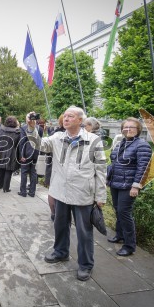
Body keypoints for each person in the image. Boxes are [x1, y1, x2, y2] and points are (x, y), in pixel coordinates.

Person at [26, 107, 107, 281]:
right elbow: (38, 144)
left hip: (82, 194)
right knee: (60, 225)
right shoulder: (57, 137)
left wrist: (101, 196)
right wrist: (32, 128)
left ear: (80, 120)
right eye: (65, 116)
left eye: (71, 116)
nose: (66, 118)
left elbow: (101, 170)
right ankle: (61, 252)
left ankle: (86, 265)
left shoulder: (93, 140)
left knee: (84, 232)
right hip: (60, 192)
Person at [107, 118, 152, 257]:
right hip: (116, 182)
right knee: (118, 210)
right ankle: (119, 235)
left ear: (138, 129)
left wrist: (136, 186)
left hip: (129, 185)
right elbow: (114, 162)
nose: (128, 129)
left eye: (131, 127)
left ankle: (129, 245)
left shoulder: (142, 145)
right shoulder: (122, 143)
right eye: (125, 127)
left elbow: (143, 168)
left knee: (124, 213)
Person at [0, 116, 21, 193]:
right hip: (11, 152)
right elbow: (18, 144)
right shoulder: (17, 132)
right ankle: (6, 188)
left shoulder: (1, 130)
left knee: (2, 168)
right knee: (9, 170)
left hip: (2, 151)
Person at [18, 115, 43, 197]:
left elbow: (22, 142)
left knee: (24, 172)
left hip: (26, 153)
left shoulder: (23, 128)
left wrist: (21, 155)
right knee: (33, 172)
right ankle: (32, 192)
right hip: (36, 153)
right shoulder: (40, 129)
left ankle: (23, 191)